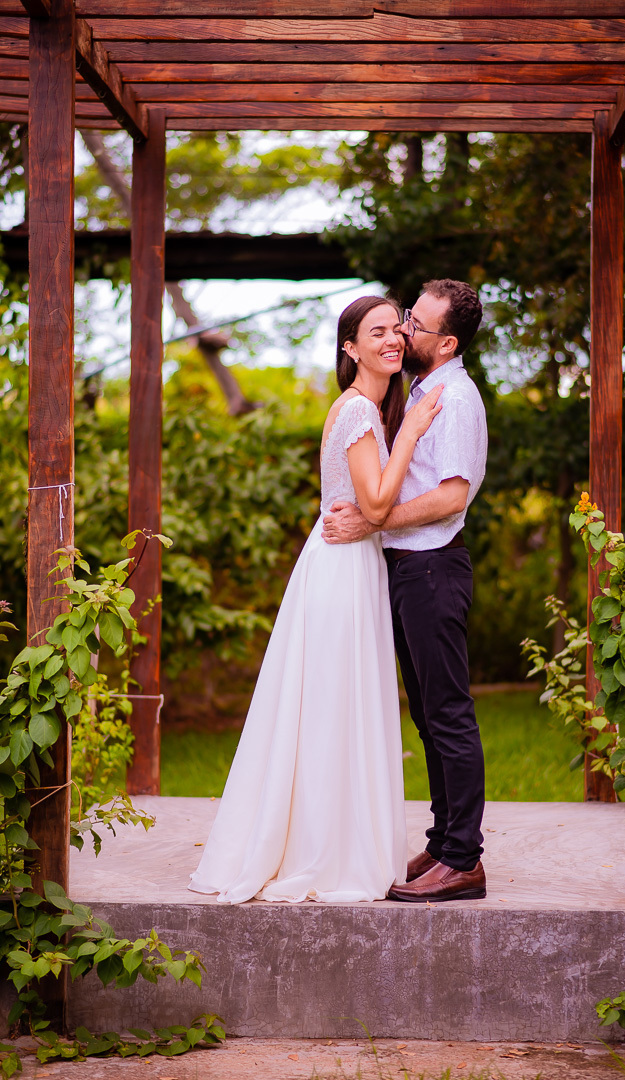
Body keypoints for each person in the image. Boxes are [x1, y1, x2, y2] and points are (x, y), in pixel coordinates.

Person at [189, 295, 442, 904]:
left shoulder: (370, 409)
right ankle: (323, 852)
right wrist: (411, 429)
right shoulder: (360, 412)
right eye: (374, 332)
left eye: (395, 331)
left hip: (350, 566)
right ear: (349, 348)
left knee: (339, 704)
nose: (390, 340)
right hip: (339, 573)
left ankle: (335, 838)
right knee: (333, 706)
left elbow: (370, 509)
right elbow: (377, 505)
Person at [322, 279, 488, 903]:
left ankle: (464, 859)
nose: (404, 333)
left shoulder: (454, 397)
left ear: (444, 344)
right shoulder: (419, 391)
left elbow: (452, 495)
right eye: (401, 322)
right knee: (425, 710)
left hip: (433, 570)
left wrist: (374, 520)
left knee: (447, 711)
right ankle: (444, 840)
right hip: (407, 568)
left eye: (415, 326)